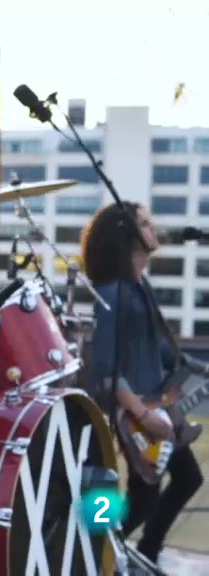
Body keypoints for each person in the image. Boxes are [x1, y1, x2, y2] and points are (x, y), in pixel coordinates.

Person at [82, 201, 204, 565]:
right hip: (137, 414)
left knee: (185, 479)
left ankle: (143, 553)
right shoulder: (113, 292)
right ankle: (93, 554)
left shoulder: (140, 287)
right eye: (146, 223)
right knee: (145, 498)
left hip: (158, 406)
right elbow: (106, 367)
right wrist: (142, 413)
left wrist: (200, 368)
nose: (155, 228)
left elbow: (162, 352)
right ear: (129, 236)